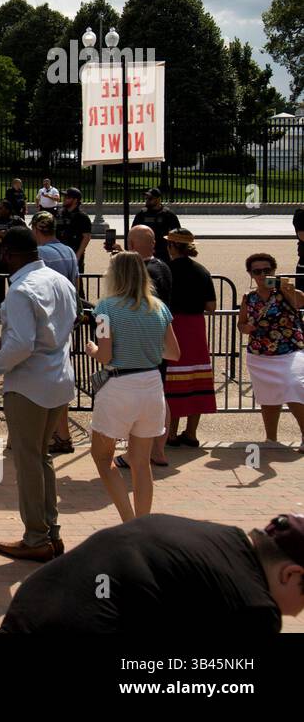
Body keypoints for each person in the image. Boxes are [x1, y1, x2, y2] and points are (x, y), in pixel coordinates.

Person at [0, 512, 304, 633]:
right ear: (290, 574)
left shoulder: (224, 539)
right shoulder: (257, 610)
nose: (298, 613)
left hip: (31, 607)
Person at [0, 227, 78, 563]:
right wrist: (7, 344)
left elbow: (22, 344)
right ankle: (50, 532)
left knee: (29, 461)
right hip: (58, 380)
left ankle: (37, 536)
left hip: (29, 386)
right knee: (42, 459)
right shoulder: (59, 280)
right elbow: (53, 329)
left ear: (9, 254)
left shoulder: (20, 290)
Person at [84, 252, 179, 521]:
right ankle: (143, 522)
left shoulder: (105, 308)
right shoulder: (158, 306)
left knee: (102, 457)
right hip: (151, 384)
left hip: (118, 385)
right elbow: (174, 352)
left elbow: (104, 355)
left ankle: (128, 519)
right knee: (141, 462)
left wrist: (92, 349)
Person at [238, 253, 304, 452]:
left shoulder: (286, 291)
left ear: (274, 271)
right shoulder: (248, 298)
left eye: (267, 270)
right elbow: (241, 323)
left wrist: (288, 290)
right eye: (257, 271)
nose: (262, 275)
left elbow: (299, 303)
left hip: (289, 349)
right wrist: (245, 328)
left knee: (294, 386)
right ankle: (271, 439)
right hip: (260, 354)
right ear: (250, 274)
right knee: (267, 397)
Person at [162, 229, 216, 448]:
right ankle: (191, 432)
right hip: (195, 327)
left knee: (174, 378)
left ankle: (171, 433)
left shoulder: (166, 270)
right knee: (197, 377)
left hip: (174, 325)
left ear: (173, 246)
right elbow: (211, 306)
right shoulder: (202, 271)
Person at [131, 189, 180, 263]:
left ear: (158, 199)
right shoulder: (141, 214)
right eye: (146, 198)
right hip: (145, 252)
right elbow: (133, 233)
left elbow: (177, 234)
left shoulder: (168, 214)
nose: (147, 200)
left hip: (163, 253)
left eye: (150, 198)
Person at [31, 212, 77, 285]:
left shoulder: (39, 252)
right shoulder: (70, 251)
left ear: (35, 229)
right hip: (68, 295)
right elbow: (76, 281)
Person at [54, 188, 92, 276]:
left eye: (67, 197)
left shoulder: (82, 217)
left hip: (73, 252)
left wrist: (78, 255)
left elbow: (86, 237)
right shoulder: (60, 214)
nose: (64, 199)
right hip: (59, 252)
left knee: (75, 280)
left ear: (75, 200)